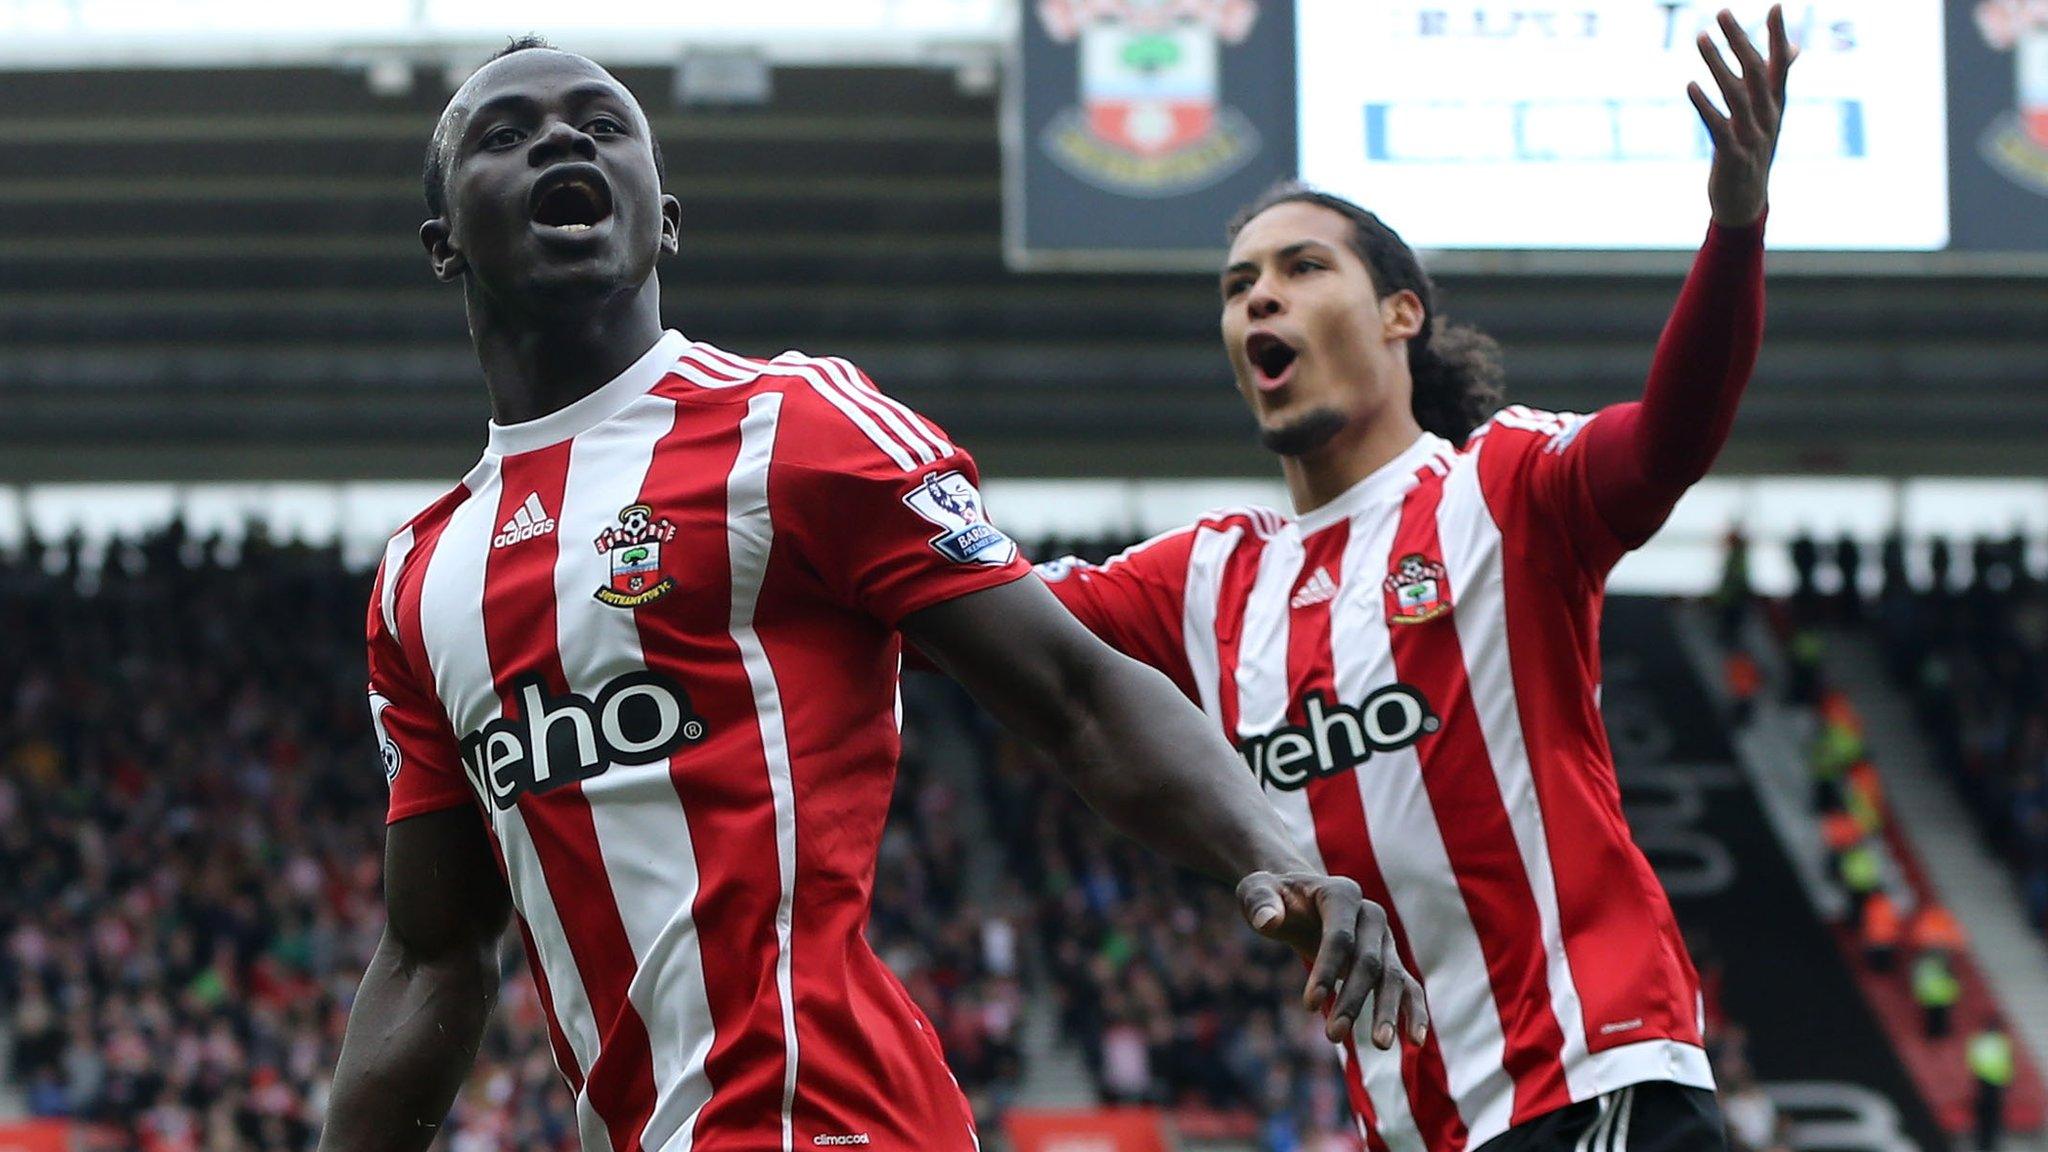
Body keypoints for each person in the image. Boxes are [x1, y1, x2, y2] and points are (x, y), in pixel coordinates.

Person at [315, 39, 1425, 1152]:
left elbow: (1071, 689)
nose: (561, 138)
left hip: (838, 1122)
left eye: (603, 125)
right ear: (442, 243)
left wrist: (1278, 861)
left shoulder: (795, 427)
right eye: (505, 135)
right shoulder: (424, 578)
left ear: (665, 219)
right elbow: (430, 953)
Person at [1031, 8, 1797, 1152]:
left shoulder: (1501, 489)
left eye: (1299, 268)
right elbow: (973, 605)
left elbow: (1671, 436)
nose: (1257, 299)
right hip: (1414, 1124)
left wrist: (1732, 227)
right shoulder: (1205, 580)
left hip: (1588, 1077)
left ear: (1400, 314)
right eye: (1238, 284)